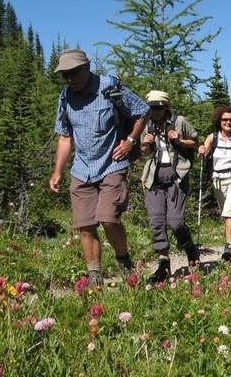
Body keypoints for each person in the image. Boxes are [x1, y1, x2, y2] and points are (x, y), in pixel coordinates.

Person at [49, 49, 149, 288]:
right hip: (81, 168)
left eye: (74, 72)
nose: (70, 78)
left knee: (108, 218)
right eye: (65, 75)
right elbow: (65, 137)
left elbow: (142, 111)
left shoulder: (109, 87)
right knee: (85, 224)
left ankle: (124, 261)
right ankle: (95, 275)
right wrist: (57, 171)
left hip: (112, 163)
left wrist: (131, 140)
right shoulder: (65, 97)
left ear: (87, 66)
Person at [139, 90, 199, 283]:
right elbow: (144, 150)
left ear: (166, 106)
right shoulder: (146, 124)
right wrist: (146, 144)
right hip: (154, 178)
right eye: (151, 107)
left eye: (158, 107)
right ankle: (163, 264)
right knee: (156, 221)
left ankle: (190, 248)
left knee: (175, 222)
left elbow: (195, 141)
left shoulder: (179, 122)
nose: (155, 111)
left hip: (176, 176)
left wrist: (179, 140)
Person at [198, 105, 231, 261]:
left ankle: (229, 246)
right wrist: (201, 151)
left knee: (229, 210)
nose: (228, 122)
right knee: (225, 211)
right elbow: (204, 153)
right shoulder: (213, 137)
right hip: (218, 178)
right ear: (219, 121)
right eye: (225, 119)